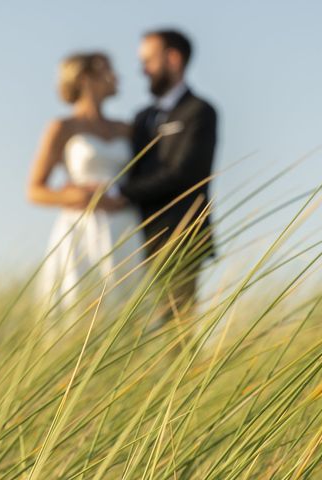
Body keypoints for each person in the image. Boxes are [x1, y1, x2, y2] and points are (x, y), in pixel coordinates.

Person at [27, 52, 144, 310]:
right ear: (85, 78)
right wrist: (75, 196)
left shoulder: (127, 129)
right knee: (81, 302)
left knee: (126, 304)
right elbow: (35, 190)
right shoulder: (63, 127)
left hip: (123, 224)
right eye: (107, 70)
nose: (116, 77)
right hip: (81, 226)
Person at [120, 30, 217, 318]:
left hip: (179, 237)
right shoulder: (141, 118)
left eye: (148, 60)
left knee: (176, 328)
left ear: (173, 59)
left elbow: (184, 173)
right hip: (131, 236)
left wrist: (119, 194)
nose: (143, 69)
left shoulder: (199, 111)